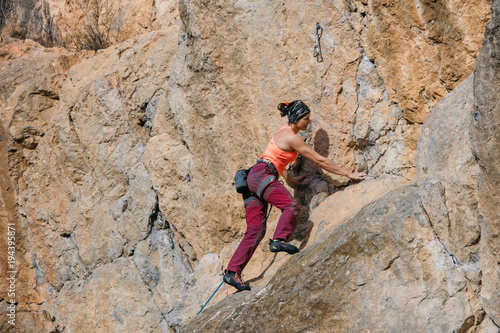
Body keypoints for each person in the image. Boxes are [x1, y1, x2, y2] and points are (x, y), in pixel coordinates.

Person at [224, 100, 367, 291]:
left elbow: (275, 158)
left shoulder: (283, 133)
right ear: (297, 118)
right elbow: (319, 160)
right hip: (261, 175)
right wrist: (348, 174)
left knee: (256, 229)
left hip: (254, 177)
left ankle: (232, 272)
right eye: (306, 119)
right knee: (291, 206)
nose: (308, 122)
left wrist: (290, 179)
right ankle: (278, 241)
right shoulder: (291, 137)